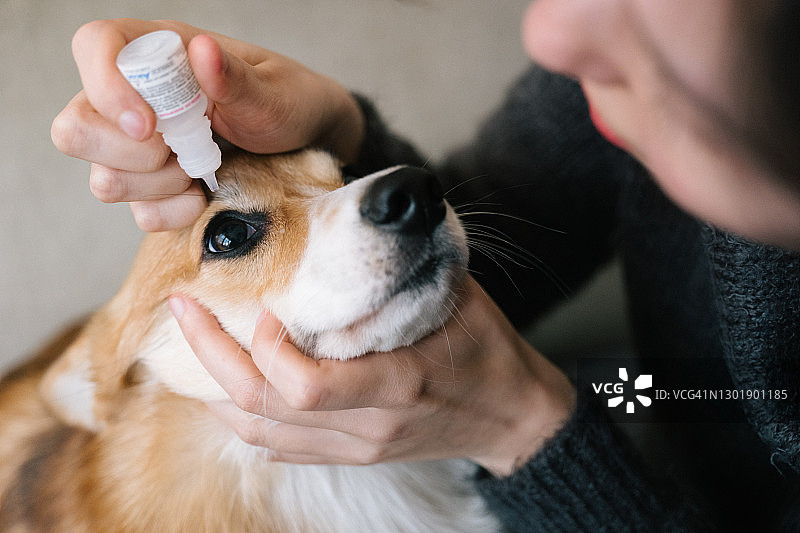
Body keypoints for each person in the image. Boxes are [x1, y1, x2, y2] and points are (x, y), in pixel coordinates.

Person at [50, 1, 800, 531]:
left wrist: (526, 429)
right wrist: (337, 126)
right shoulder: (637, 74)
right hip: (664, 391)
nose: (546, 31)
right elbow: (530, 215)